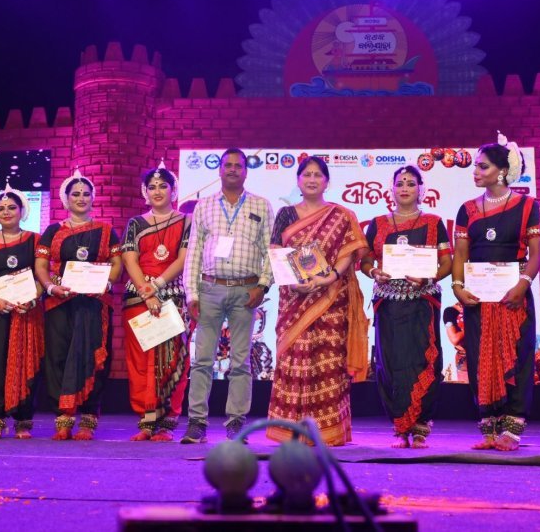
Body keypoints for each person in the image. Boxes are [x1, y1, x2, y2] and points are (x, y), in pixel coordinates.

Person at [266, 156, 369, 446]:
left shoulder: (341, 215)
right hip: (293, 300)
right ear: (298, 180)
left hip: (330, 299)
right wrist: (295, 282)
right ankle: (291, 431)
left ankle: (328, 432)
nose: (312, 179)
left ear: (326, 181)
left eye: (318, 175)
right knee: (294, 361)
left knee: (327, 364)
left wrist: (328, 277)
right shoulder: (286, 214)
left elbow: (349, 251)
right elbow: (277, 252)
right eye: (306, 175)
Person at [451, 133, 540, 451]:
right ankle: (488, 428)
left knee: (517, 358)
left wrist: (523, 285)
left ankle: (512, 430)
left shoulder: (528, 206)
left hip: (513, 296)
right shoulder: (467, 210)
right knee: (479, 358)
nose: (475, 171)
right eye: (475, 166)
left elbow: (536, 254)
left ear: (502, 171)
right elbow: (461, 255)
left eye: (482, 166)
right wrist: (457, 287)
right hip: (478, 298)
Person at [181, 148, 274, 444]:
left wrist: (263, 285)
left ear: (246, 171)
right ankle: (197, 422)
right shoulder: (205, 206)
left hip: (246, 290)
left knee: (240, 361)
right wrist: (191, 293)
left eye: (238, 165)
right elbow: (194, 250)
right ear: (220, 171)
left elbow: (270, 250)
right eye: (227, 165)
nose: (233, 169)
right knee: (202, 360)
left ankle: (236, 423)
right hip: (209, 288)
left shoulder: (261, 204)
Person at [361, 165, 452, 448]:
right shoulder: (377, 224)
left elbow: (447, 263)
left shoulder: (434, 222)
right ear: (391, 189)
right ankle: (400, 426)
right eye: (400, 183)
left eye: (411, 183)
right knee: (391, 364)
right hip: (388, 305)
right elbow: (364, 260)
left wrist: (430, 276)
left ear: (421, 189)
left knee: (424, 361)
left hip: (422, 303)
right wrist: (373, 272)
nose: (405, 188)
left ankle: (422, 426)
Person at [35, 169, 122, 440]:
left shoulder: (107, 230)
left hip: (95, 302)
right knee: (58, 356)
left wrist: (107, 284)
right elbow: (41, 264)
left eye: (86, 194)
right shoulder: (53, 231)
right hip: (60, 301)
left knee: (93, 355)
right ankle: (63, 416)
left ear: (93, 198)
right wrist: (50, 286)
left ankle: (88, 417)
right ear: (66, 199)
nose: (81, 198)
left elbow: (117, 262)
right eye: (76, 194)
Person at [121, 163, 192, 442]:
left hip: (172, 293)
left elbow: (183, 258)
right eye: (152, 187)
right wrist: (146, 290)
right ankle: (146, 419)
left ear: (173, 191)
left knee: (174, 360)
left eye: (164, 186)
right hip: (138, 296)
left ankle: (168, 421)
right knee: (142, 359)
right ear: (144, 192)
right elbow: (129, 259)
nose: (158, 191)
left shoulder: (186, 221)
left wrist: (158, 286)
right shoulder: (135, 223)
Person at [0, 184, 44, 439]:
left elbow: (42, 273)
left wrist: (33, 298)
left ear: (22, 210)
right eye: (0, 208)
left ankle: (23, 420)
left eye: (12, 207)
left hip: (27, 309)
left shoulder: (35, 239)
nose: (6, 212)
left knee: (27, 363)